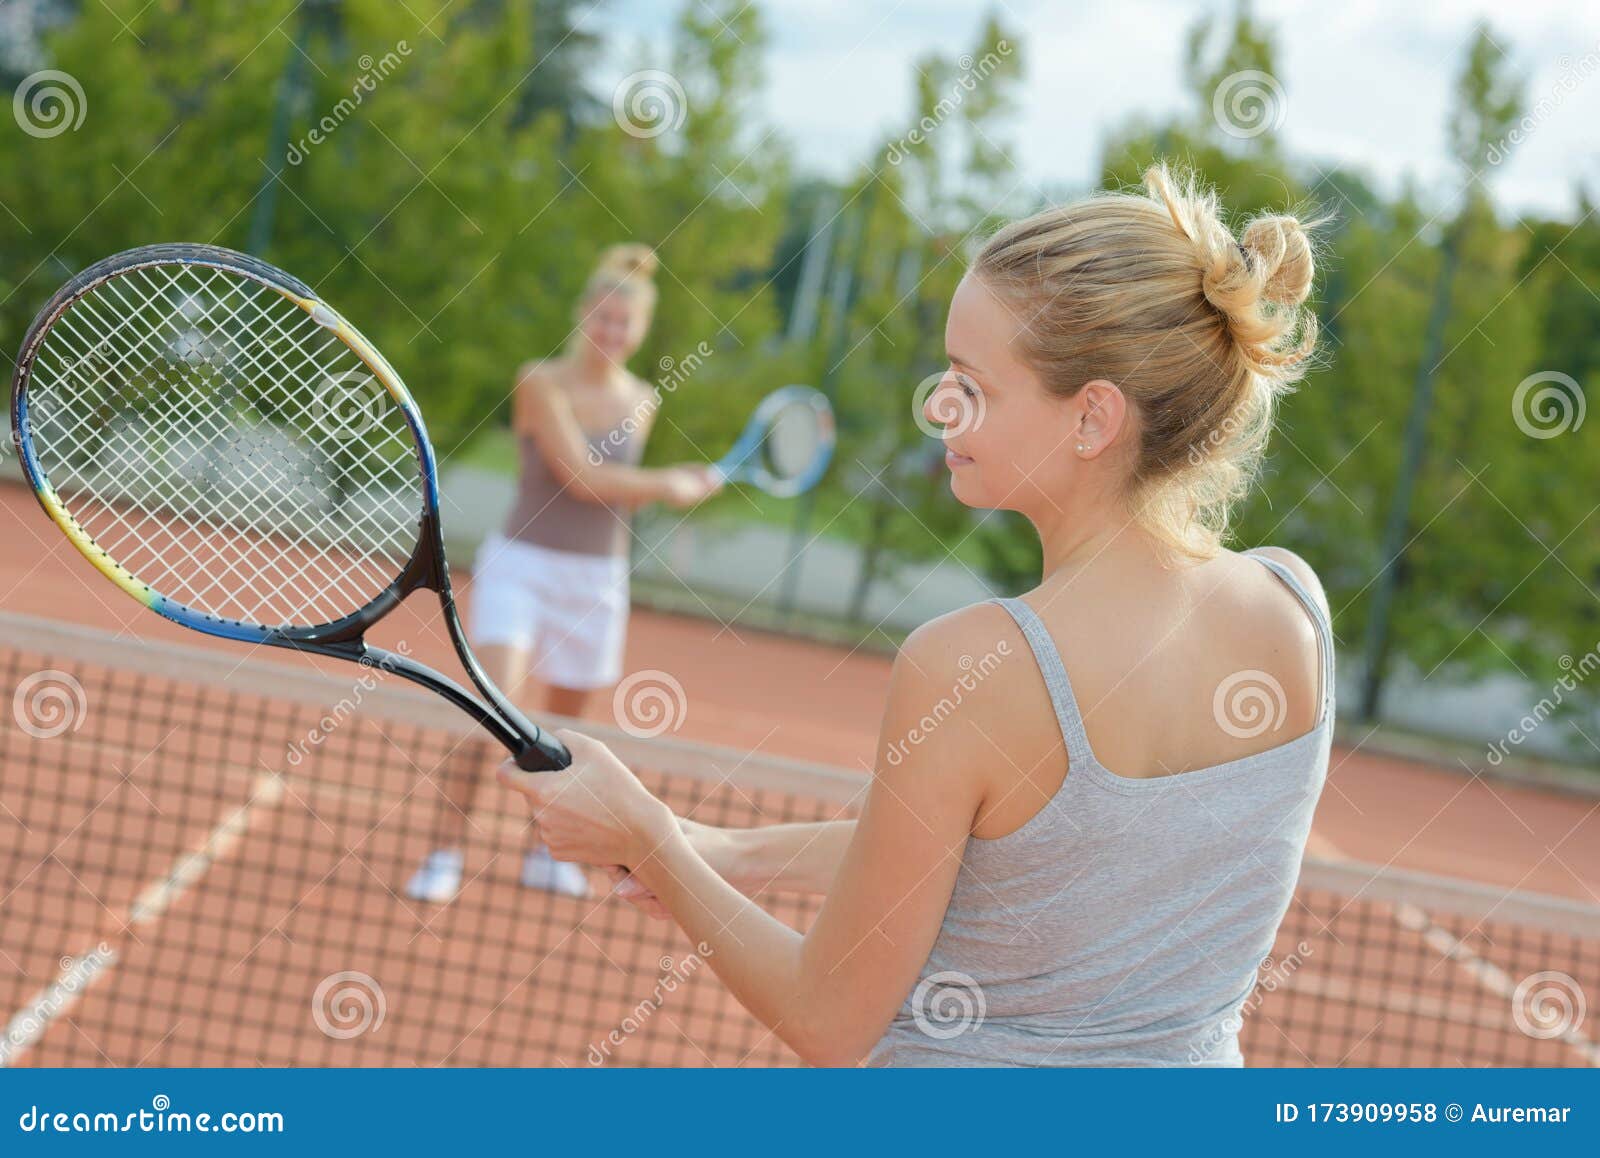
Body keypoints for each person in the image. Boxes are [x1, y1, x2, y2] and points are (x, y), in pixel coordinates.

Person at [499, 163, 1336, 1066]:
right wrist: (728, 854)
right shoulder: (1293, 608)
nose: (939, 406)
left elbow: (826, 1015)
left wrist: (647, 837)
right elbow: (1023, 849)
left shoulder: (975, 666)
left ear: (1092, 418)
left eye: (972, 383)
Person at [406, 243, 722, 904]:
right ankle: (444, 852)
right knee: (495, 711)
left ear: (640, 330)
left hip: (597, 580)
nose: (610, 333)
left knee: (569, 736)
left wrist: (674, 485)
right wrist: (671, 483)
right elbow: (581, 477)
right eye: (602, 318)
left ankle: (543, 855)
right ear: (583, 315)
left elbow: (613, 490)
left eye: (624, 323)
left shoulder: (644, 398)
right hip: (523, 565)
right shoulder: (540, 381)